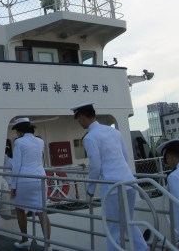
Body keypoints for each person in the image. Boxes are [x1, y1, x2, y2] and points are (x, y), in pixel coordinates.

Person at [72, 103, 148, 251]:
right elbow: (125, 156)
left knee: (112, 229)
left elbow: (96, 166)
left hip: (113, 187)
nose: (79, 122)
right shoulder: (113, 132)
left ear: (82, 117)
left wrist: (90, 189)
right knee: (127, 222)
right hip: (129, 183)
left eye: (79, 119)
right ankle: (143, 249)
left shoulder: (89, 138)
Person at [10, 118, 51, 250]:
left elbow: (16, 166)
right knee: (41, 211)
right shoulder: (40, 141)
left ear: (19, 131)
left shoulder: (19, 142)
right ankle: (48, 246)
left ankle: (24, 240)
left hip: (25, 180)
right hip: (40, 178)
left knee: (20, 209)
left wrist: (13, 186)